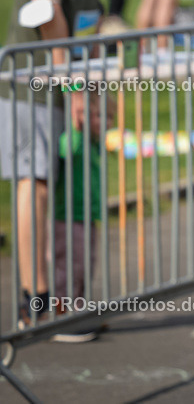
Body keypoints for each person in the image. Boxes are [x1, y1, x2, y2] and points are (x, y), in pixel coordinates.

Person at [1, 0, 113, 331]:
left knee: (71, 189)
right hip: (35, 82)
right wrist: (74, 88)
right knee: (36, 182)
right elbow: (48, 14)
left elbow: (89, 10)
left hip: (76, 76)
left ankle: (67, 297)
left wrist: (95, 79)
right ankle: (36, 298)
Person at [52, 90, 109, 342]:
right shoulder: (73, 138)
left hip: (86, 215)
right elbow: (68, 149)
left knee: (85, 264)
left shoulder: (93, 141)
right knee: (69, 266)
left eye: (107, 117)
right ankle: (62, 313)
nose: (104, 122)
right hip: (69, 216)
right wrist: (78, 118)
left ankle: (79, 307)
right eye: (98, 115)